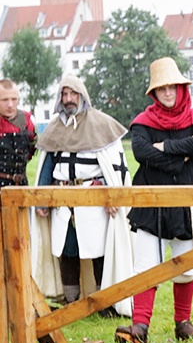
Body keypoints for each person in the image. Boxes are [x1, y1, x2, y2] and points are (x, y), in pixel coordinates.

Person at [114, 57, 193, 343]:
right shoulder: (142, 124)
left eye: (173, 88)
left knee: (187, 264)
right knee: (146, 265)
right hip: (151, 204)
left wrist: (166, 148)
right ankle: (140, 326)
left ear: (181, 89)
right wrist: (179, 158)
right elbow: (141, 153)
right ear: (154, 94)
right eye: (162, 89)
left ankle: (183, 324)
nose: (168, 93)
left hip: (188, 203)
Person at [31, 74, 133, 318]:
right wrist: (42, 200)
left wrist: (111, 197)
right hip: (63, 199)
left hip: (93, 200)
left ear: (82, 96)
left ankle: (102, 301)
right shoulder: (55, 126)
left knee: (98, 250)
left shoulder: (101, 124)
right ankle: (70, 301)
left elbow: (114, 166)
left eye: (73, 94)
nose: (68, 99)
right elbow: (48, 165)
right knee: (67, 250)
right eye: (64, 95)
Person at [0, 79, 37, 188]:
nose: (10, 104)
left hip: (21, 186)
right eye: (4, 100)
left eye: (14, 99)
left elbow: (31, 150)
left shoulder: (28, 122)